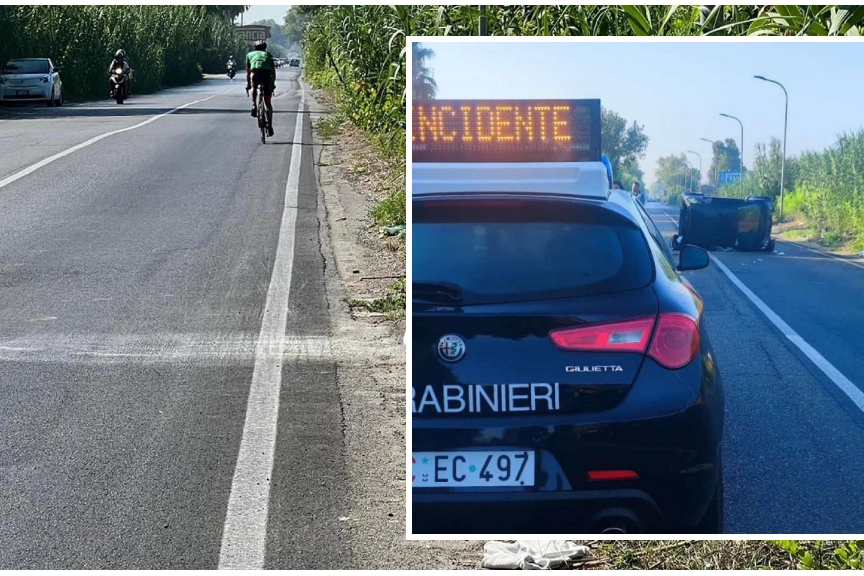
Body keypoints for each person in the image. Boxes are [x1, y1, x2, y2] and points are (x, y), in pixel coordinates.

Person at [245, 40, 276, 137]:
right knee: (268, 103)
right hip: (266, 76)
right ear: (265, 48)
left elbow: (248, 72)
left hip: (256, 75)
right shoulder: (269, 55)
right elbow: (273, 73)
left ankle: (254, 104)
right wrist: (272, 84)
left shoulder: (249, 55)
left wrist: (248, 85)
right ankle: (270, 126)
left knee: (254, 86)